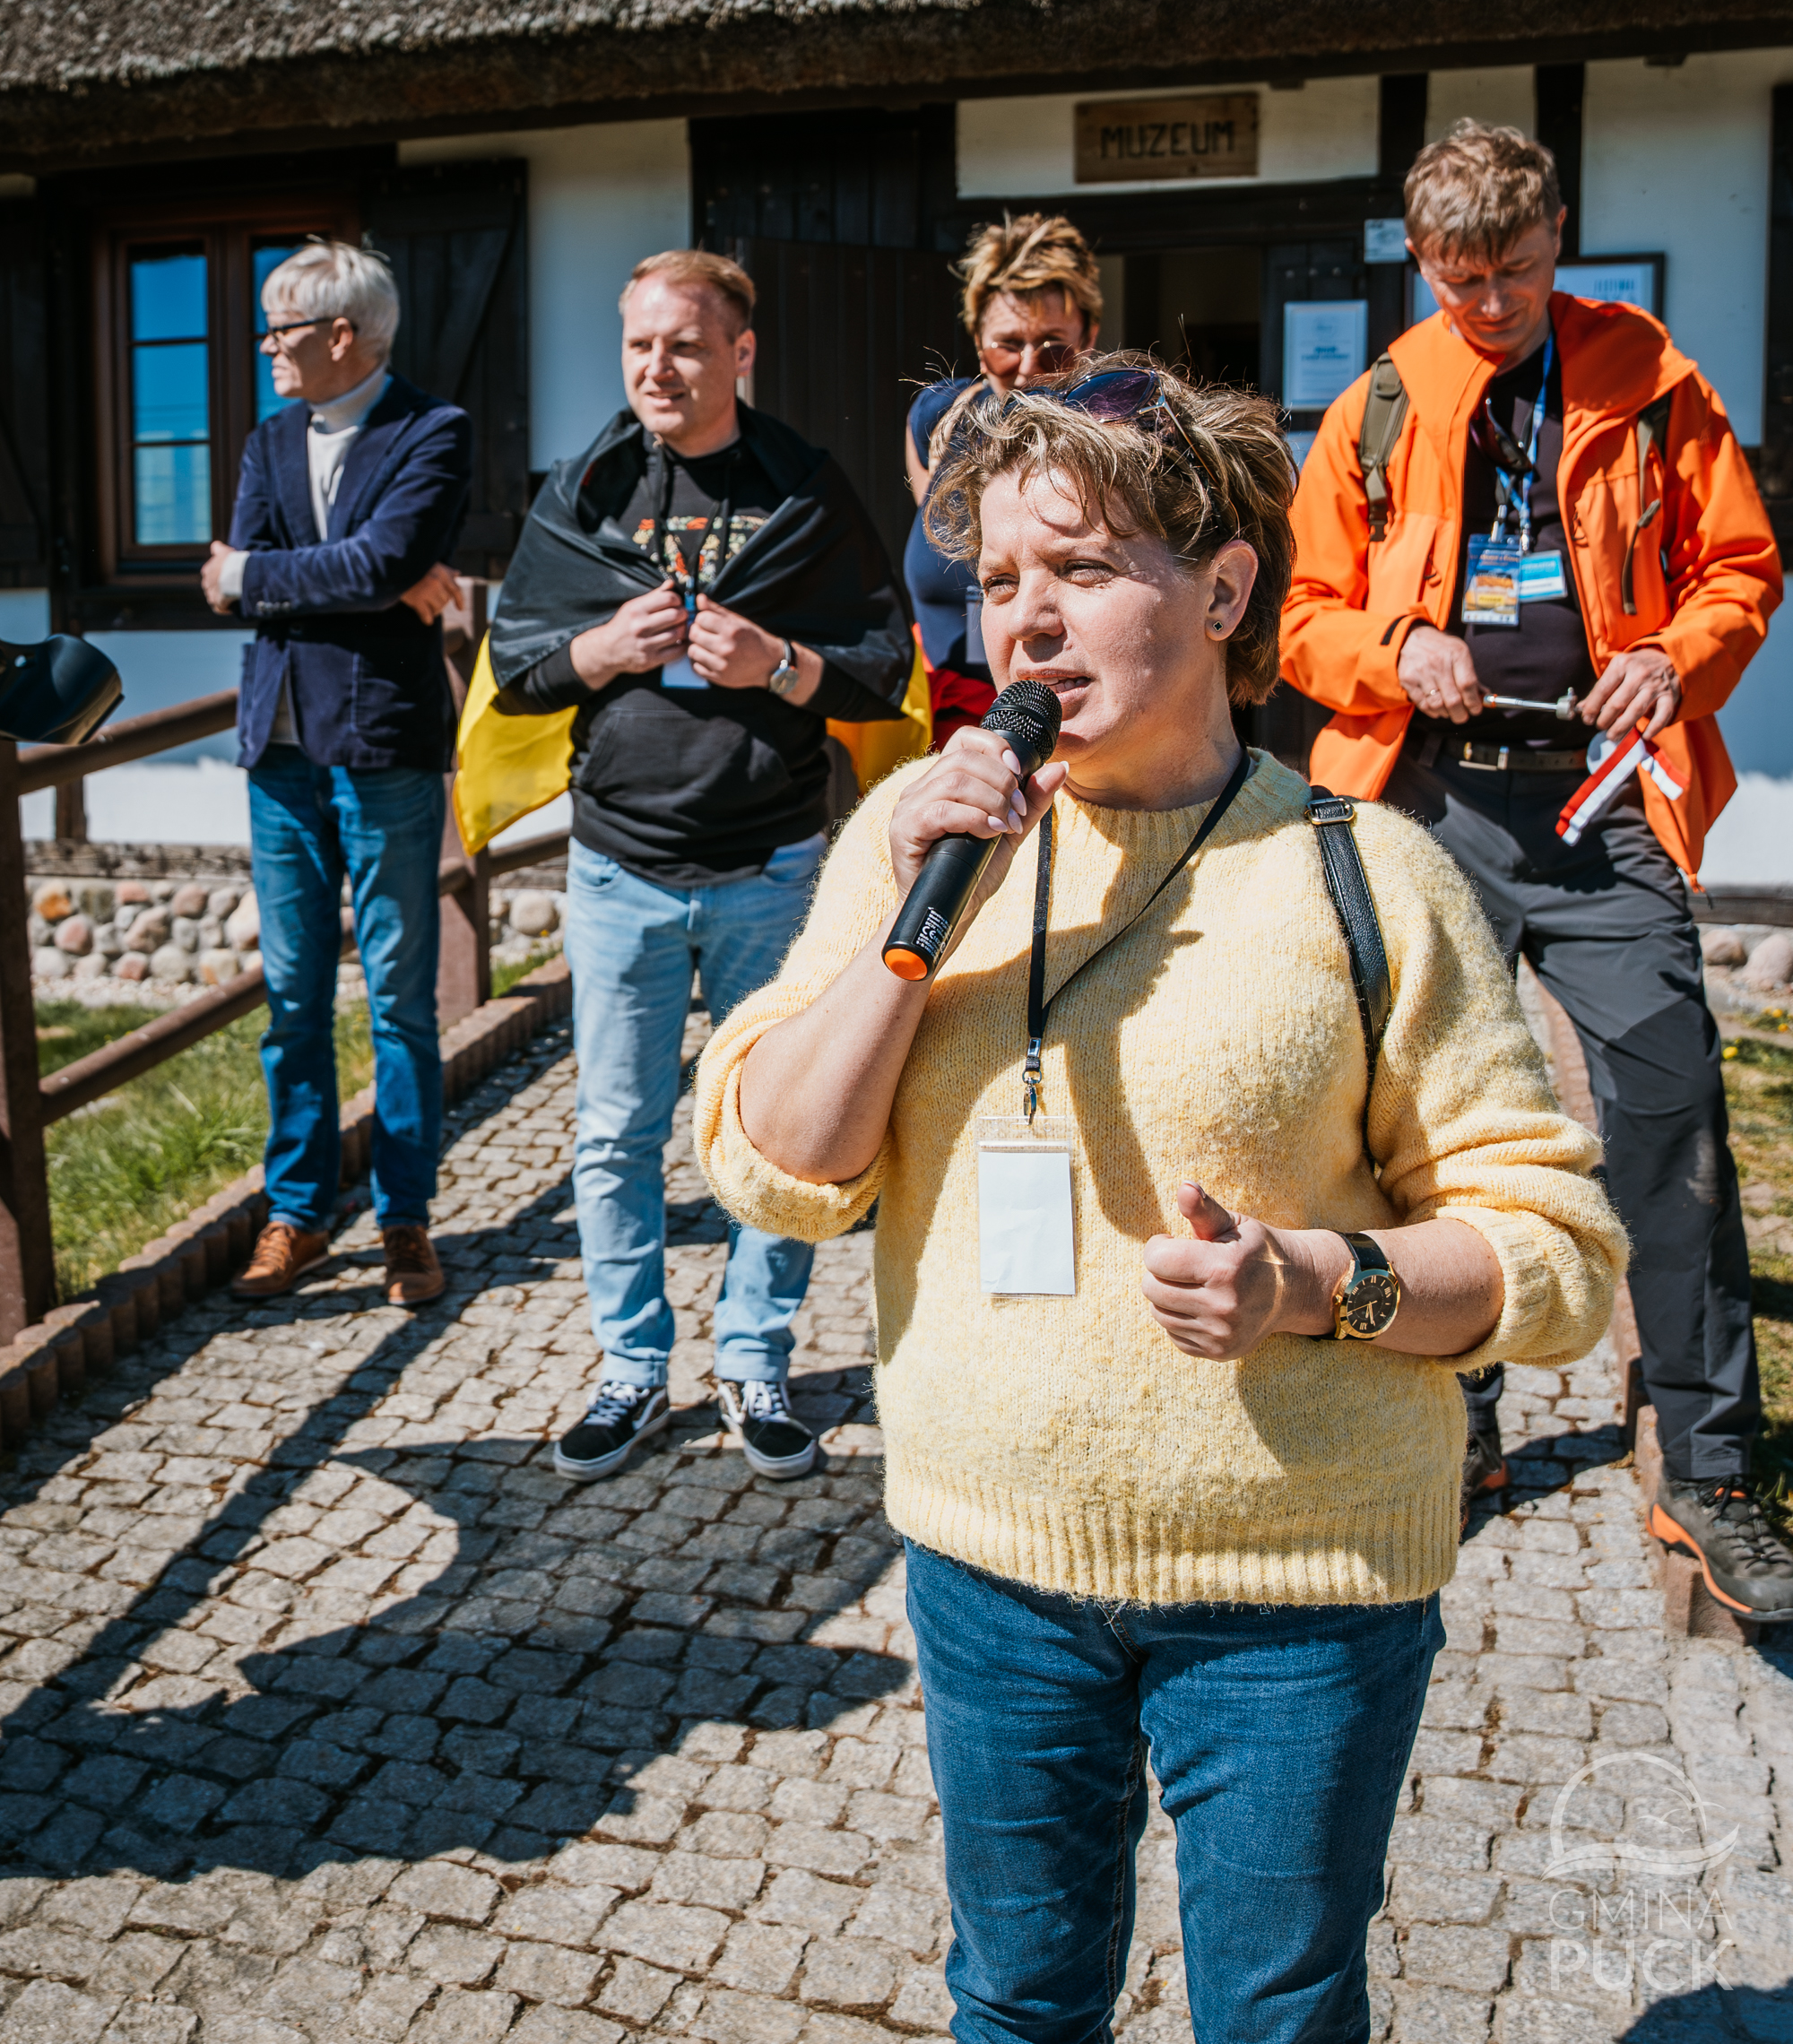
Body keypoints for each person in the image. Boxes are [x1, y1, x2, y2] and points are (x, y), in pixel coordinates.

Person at [695, 358, 1622, 2043]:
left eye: (1082, 567)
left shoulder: (1366, 875)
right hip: (990, 1566)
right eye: (998, 580)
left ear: (1223, 590)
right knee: (1018, 1999)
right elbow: (782, 1162)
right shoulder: (921, 834)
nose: (1026, 621)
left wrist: (1312, 1281)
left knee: (1275, 2012)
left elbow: (1551, 1254)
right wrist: (913, 923)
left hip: (1301, 1593)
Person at [1282, 119, 1793, 1619]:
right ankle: (1455, 1415)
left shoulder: (1652, 380)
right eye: (1459, 279)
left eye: (1511, 270)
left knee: (1671, 1114)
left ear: (1556, 236)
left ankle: (1709, 1471)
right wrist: (1399, 651)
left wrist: (1673, 659)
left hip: (1604, 798)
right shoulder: (1379, 403)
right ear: (1419, 261)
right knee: (1420, 1123)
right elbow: (1302, 616)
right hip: (1431, 800)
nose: (1489, 304)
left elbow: (1741, 569)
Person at [486, 249, 912, 1484]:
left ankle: (754, 1357)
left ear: (740, 352)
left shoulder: (803, 490)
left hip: (770, 868)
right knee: (614, 1134)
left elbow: (880, 666)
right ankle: (630, 1365)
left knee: (777, 1132)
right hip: (618, 870)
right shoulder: (586, 492)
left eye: (683, 343)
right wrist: (604, 650)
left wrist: (775, 664)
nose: (656, 367)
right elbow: (518, 666)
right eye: (639, 345)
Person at [201, 241, 469, 1311]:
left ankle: (405, 1219)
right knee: (292, 999)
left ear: (342, 334)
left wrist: (264, 575)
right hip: (277, 751)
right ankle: (299, 1213)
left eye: (282, 329)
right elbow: (248, 580)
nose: (267, 348)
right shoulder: (269, 438)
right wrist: (352, 579)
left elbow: (374, 560)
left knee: (400, 1001)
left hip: (382, 745)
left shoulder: (431, 430)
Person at [902, 214, 1103, 744]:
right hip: (946, 723)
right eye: (1007, 345)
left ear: (1089, 337)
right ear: (977, 341)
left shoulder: (1116, 436)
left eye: (1054, 347)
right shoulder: (937, 419)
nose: (1030, 367)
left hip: (1059, 722)